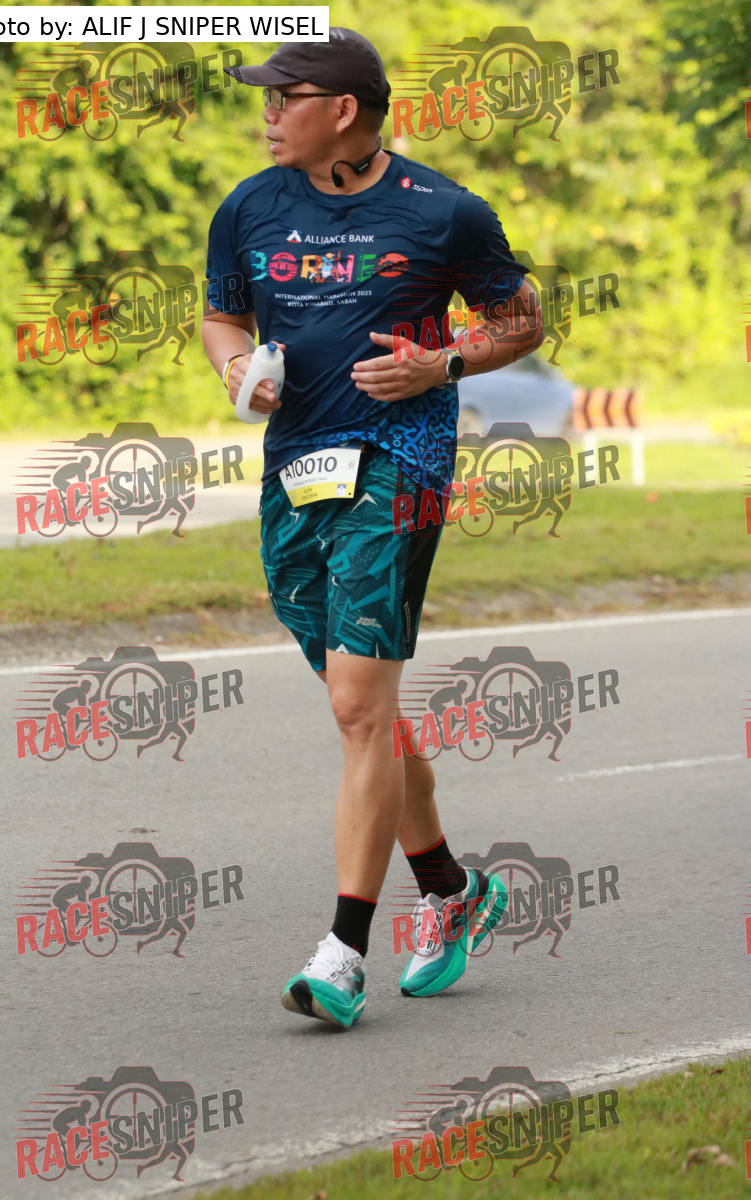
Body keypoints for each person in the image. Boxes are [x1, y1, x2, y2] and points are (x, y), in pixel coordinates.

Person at [201, 28, 543, 1028]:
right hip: (296, 471)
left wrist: (442, 364)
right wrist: (235, 368)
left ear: (342, 109)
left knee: (356, 703)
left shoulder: (444, 211)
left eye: (284, 98)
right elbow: (222, 317)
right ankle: (451, 890)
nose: (267, 114)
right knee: (368, 710)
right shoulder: (248, 207)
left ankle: (342, 956)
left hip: (403, 463)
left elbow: (521, 320)